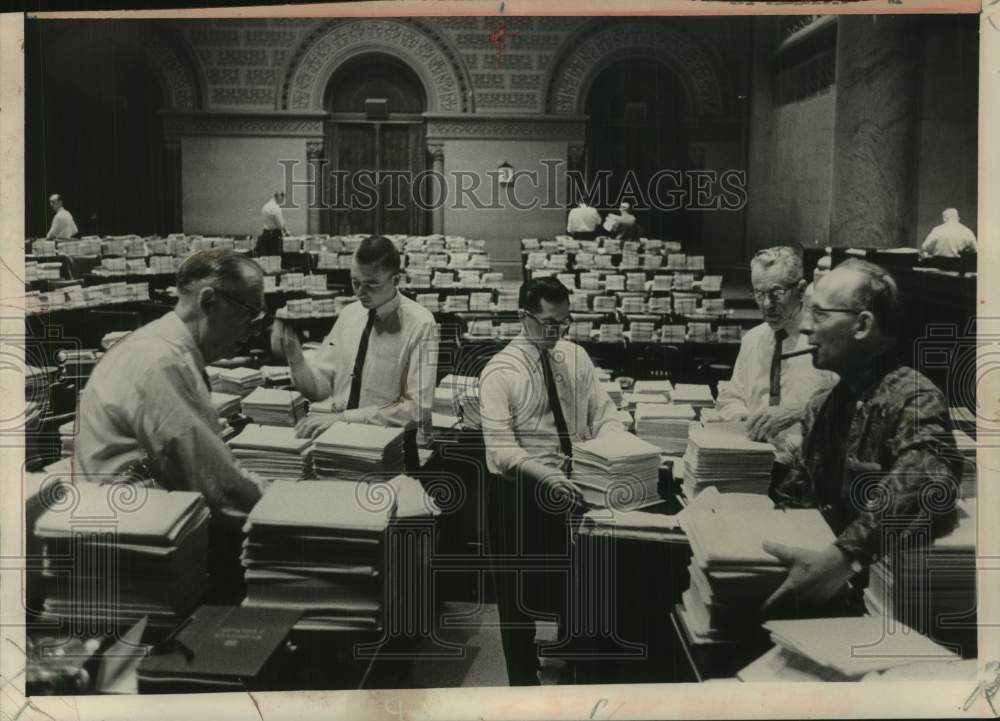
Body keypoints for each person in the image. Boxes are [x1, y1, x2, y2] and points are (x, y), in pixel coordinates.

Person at [763, 259, 960, 614]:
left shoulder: (914, 396)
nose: (805, 327)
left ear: (863, 325)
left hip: (881, 609)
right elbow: (798, 498)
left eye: (819, 314)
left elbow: (926, 475)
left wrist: (843, 557)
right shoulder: (822, 405)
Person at [478, 276, 625, 685]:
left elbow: (604, 412)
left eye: (564, 322)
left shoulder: (575, 357)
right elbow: (500, 449)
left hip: (574, 488)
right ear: (522, 318)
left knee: (575, 590)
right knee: (516, 600)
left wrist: (614, 449)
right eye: (547, 323)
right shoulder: (500, 371)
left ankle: (570, 670)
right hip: (518, 493)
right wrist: (545, 475)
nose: (556, 333)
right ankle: (523, 687)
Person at [73, 249, 268, 512]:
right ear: (208, 301)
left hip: (136, 513)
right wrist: (276, 501)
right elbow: (215, 481)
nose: (252, 330)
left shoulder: (161, 344)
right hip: (134, 528)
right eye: (249, 313)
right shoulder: (162, 361)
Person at [278, 235, 438, 442]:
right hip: (339, 436)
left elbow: (418, 409)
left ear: (396, 280)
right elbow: (320, 388)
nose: (360, 293)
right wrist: (297, 360)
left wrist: (345, 418)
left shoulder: (422, 324)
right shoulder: (349, 314)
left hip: (388, 445)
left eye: (371, 285)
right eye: (355, 282)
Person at [716, 246, 837, 469]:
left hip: (809, 467)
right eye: (759, 294)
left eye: (776, 293)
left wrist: (798, 412)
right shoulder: (752, 339)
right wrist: (742, 417)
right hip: (753, 462)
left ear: (801, 290)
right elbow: (731, 397)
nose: (766, 305)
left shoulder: (824, 340)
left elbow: (843, 408)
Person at [259, 191, 288, 255]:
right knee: (276, 258)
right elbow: (281, 225)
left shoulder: (265, 206)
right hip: (274, 236)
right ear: (277, 196)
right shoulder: (276, 208)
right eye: (282, 196)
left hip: (265, 234)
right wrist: (287, 232)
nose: (283, 199)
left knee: (267, 258)